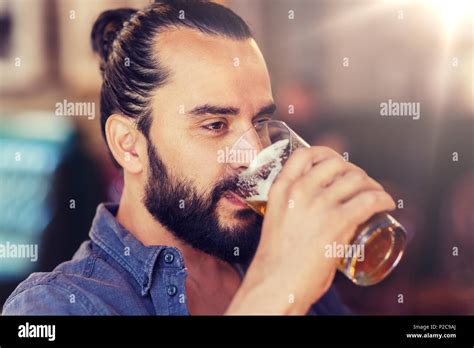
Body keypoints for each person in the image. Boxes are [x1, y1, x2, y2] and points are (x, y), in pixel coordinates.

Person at [3, 0, 394, 315]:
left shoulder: (273, 256)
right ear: (129, 145)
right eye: (215, 125)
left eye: (259, 122)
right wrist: (275, 291)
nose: (256, 155)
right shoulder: (54, 306)